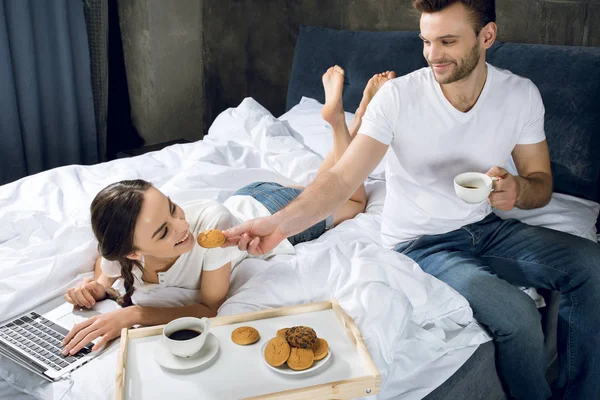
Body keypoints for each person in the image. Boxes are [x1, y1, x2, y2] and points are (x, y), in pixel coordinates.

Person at [222, 1, 600, 399]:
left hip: (485, 227)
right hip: (421, 242)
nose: (432, 55)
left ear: (486, 36)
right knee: (518, 316)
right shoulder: (399, 98)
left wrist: (518, 190)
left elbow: (541, 182)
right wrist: (277, 225)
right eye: (426, 41)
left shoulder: (519, 95)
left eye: (448, 41)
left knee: (591, 265)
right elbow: (340, 178)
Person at [60, 66, 395, 357]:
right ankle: (361, 118)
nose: (182, 225)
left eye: (173, 209)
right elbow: (105, 268)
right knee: (323, 184)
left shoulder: (210, 228)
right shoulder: (121, 248)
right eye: (163, 231)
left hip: (264, 211)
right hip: (247, 201)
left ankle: (338, 122)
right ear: (131, 252)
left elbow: (210, 308)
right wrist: (96, 286)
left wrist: (132, 316)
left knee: (352, 202)